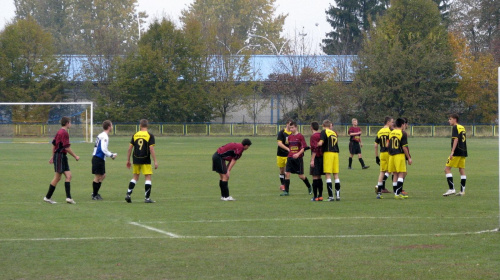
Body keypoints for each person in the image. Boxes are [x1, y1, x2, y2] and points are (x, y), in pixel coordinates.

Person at [43, 117, 80, 204]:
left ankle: (68, 198)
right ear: (67, 123)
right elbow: (66, 147)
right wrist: (75, 156)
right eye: (70, 122)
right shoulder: (64, 133)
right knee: (57, 177)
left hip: (61, 156)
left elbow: (54, 144)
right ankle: (47, 197)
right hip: (60, 156)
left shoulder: (59, 132)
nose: (70, 124)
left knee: (69, 176)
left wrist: (53, 156)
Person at [125, 119, 158, 203]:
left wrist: (128, 160)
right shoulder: (150, 135)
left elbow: (129, 148)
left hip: (136, 159)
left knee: (135, 177)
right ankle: (147, 198)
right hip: (145, 159)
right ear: (147, 125)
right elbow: (151, 148)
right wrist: (155, 161)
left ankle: (128, 194)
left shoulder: (135, 135)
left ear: (140, 125)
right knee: (148, 177)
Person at [280, 121, 312, 196]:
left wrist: (298, 154)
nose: (291, 129)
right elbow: (289, 147)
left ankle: (309, 186)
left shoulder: (300, 136)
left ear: (296, 127)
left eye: (292, 128)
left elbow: (303, 147)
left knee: (300, 176)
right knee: (287, 173)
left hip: (298, 159)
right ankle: (286, 191)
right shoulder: (289, 137)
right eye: (290, 128)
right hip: (290, 158)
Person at [91, 120, 117, 200]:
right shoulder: (105, 136)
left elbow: (102, 149)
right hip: (98, 158)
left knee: (103, 175)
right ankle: (94, 195)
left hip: (99, 158)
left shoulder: (102, 135)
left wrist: (110, 154)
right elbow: (103, 149)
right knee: (98, 176)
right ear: (109, 127)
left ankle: (95, 193)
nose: (112, 127)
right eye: (111, 125)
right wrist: (111, 155)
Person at [387, 118, 412, 199]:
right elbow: (404, 147)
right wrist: (409, 158)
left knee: (395, 174)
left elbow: (388, 145)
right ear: (402, 124)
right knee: (401, 173)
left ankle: (395, 193)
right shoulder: (403, 133)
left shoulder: (391, 132)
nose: (405, 126)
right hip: (399, 155)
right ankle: (398, 193)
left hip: (391, 156)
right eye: (404, 124)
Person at [443, 114, 467, 196]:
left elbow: (456, 139)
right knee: (461, 170)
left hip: (457, 151)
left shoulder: (455, 127)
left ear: (455, 119)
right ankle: (462, 191)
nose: (449, 121)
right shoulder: (462, 127)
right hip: (463, 151)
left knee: (447, 169)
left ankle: (451, 189)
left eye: (450, 119)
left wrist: (452, 151)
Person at [317, 120, 341, 201]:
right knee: (336, 175)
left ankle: (331, 196)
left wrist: (314, 145)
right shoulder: (333, 132)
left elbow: (321, 142)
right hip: (336, 154)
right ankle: (338, 196)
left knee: (328, 174)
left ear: (323, 125)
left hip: (328, 153)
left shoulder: (324, 132)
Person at [374, 116, 393, 198]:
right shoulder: (390, 131)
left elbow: (375, 145)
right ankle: (380, 186)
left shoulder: (380, 131)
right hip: (389, 153)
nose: (393, 124)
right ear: (388, 122)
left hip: (382, 153)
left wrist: (376, 157)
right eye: (392, 122)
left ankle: (379, 193)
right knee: (390, 170)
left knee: (382, 172)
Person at [309, 121, 325, 201]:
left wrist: (312, 160)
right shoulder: (321, 135)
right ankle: (320, 195)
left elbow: (315, 148)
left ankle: (315, 197)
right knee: (319, 176)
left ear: (311, 127)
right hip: (322, 158)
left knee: (314, 177)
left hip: (316, 157)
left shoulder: (313, 136)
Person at [276, 119, 293, 191]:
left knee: (287, 171)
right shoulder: (282, 132)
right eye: (289, 124)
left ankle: (285, 185)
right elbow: (279, 143)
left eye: (291, 125)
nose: (290, 126)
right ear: (286, 124)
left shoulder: (293, 133)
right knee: (282, 170)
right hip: (280, 154)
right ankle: (282, 184)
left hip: (289, 155)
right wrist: (287, 148)